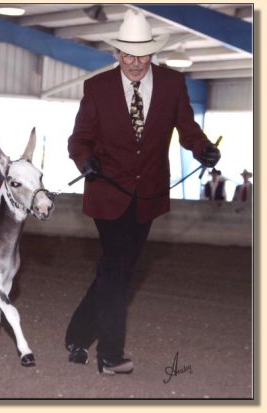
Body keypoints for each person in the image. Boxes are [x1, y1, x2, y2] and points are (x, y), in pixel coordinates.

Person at [65, 10, 221, 375]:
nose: (135, 63)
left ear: (153, 53)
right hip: (106, 191)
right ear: (117, 54)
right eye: (127, 55)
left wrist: (203, 149)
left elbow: (187, 128)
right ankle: (110, 355)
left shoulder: (172, 84)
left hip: (148, 195)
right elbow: (80, 138)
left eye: (142, 55)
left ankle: (76, 336)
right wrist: (85, 161)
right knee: (116, 268)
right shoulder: (97, 88)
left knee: (116, 271)